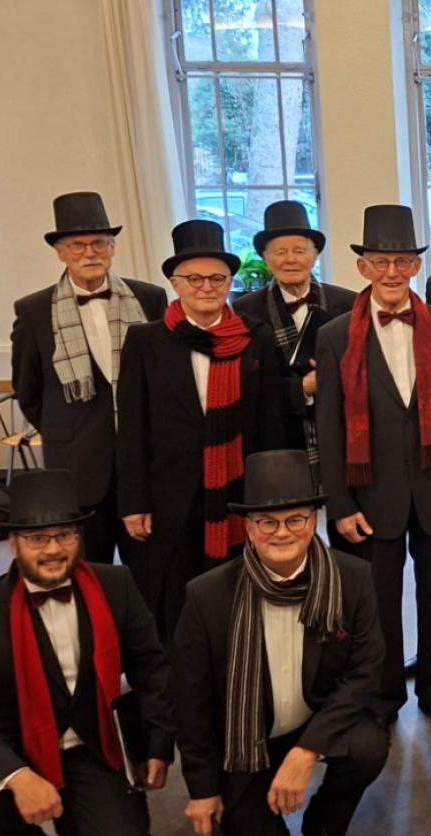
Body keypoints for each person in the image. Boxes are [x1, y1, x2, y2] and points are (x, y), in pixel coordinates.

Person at [0, 470, 173, 836]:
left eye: (64, 535)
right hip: (18, 746)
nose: (53, 549)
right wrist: (18, 777)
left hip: (94, 741)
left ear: (78, 538)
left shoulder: (116, 585)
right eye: (37, 538)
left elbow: (152, 669)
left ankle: (78, 820)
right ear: (14, 544)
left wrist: (159, 744)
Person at [172, 450, 388, 836]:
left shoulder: (353, 578)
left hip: (315, 721)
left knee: (369, 746)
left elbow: (364, 672)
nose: (282, 532)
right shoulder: (206, 596)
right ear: (249, 528)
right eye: (267, 522)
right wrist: (203, 789)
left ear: (313, 521)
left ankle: (324, 825)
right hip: (248, 735)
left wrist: (307, 752)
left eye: (295, 519)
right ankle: (256, 818)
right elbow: (191, 702)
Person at [316, 205, 431, 727]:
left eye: (402, 262)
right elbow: (329, 426)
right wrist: (339, 504)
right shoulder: (335, 335)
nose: (391, 272)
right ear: (362, 267)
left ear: (417, 266)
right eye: (380, 262)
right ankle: (382, 697)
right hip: (369, 491)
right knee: (377, 602)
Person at [115, 219, 292, 640]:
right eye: (194, 278)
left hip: (238, 492)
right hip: (168, 494)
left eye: (217, 278)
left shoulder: (256, 338)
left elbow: (273, 424)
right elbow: (132, 427)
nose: (206, 287)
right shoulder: (144, 341)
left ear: (230, 282)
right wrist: (134, 502)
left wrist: (275, 499)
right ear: (175, 283)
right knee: (173, 599)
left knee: (239, 595)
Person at [10, 192, 167, 564]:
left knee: (150, 570)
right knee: (88, 571)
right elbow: (28, 391)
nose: (90, 253)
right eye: (77, 245)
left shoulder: (150, 298)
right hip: (77, 467)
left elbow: (165, 375)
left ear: (112, 248)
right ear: (60, 252)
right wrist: (69, 430)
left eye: (99, 243)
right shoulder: (33, 310)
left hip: (145, 463)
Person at [232, 199, 357, 484]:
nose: (290, 259)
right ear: (266, 258)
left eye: (300, 251)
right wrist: (304, 387)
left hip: (340, 432)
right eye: (280, 252)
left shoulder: (348, 303)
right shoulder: (244, 311)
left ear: (315, 255)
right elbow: (249, 386)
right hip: (278, 437)